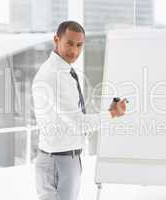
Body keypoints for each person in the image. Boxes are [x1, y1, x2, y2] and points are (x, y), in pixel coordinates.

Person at [32, 21, 126, 200]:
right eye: (69, 43)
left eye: (79, 45)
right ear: (56, 40)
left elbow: (73, 118)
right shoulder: (54, 76)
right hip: (59, 160)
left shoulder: (63, 72)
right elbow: (78, 124)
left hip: (63, 158)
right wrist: (112, 114)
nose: (74, 50)